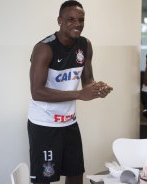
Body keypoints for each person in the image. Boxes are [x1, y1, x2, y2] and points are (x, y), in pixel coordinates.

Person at [27, 1, 113, 184]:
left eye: (81, 20)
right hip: (44, 125)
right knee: (44, 179)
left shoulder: (85, 44)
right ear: (59, 20)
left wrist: (97, 88)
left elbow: (87, 79)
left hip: (69, 123)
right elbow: (37, 92)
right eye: (71, 19)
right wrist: (80, 95)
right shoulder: (44, 48)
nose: (77, 24)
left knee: (75, 174)